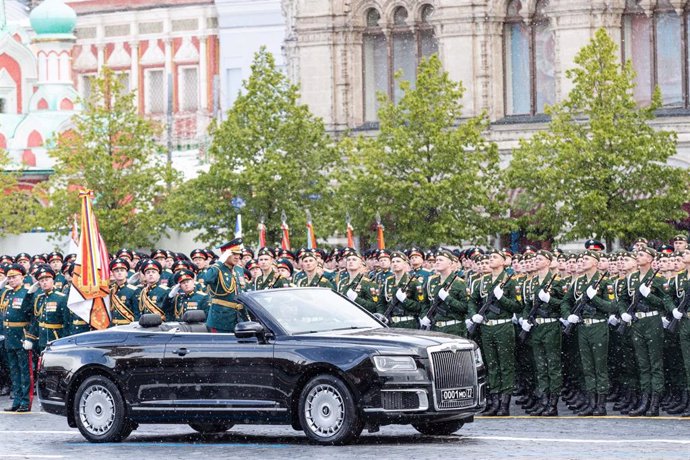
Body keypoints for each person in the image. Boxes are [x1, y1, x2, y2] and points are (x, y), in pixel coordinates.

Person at [618, 247, 674, 417]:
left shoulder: (657, 280)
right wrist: (624, 313)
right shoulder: (631, 279)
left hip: (652, 321)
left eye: (642, 255)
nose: (638, 256)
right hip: (637, 322)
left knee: (655, 364)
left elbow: (665, 302)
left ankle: (654, 403)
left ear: (650, 259)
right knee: (642, 365)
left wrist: (649, 295)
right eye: (638, 254)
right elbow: (622, 300)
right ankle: (644, 401)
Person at [560, 250, 616, 416]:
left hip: (598, 327)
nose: (582, 261)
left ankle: (601, 405)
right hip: (583, 327)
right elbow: (565, 302)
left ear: (596, 262)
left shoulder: (605, 283)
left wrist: (595, 299)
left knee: (599, 367)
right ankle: (591, 403)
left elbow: (611, 307)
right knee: (587, 367)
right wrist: (568, 315)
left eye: (586, 259)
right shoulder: (578, 283)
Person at [469, 248, 522, 416]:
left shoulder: (511, 281)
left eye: (494, 257)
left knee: (505, 365)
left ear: (503, 261)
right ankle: (494, 401)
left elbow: (517, 306)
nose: (490, 260)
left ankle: (504, 403)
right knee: (491, 365)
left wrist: (502, 298)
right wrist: (474, 315)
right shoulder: (482, 281)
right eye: (489, 257)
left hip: (503, 326)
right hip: (486, 327)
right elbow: (472, 301)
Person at [519, 250, 564, 416]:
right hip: (536, 327)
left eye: (540, 259)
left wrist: (549, 300)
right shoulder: (531, 283)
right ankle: (543, 400)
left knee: (553, 366)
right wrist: (525, 319)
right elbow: (526, 305)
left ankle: (553, 404)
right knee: (540, 366)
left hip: (551, 326)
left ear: (548, 261)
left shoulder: (556, 281)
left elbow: (564, 304)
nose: (536, 261)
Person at [0, 264, 34, 412]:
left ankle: (25, 402)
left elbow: (33, 317)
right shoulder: (7, 293)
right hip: (10, 337)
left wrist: (30, 337)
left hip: (21, 336)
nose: (12, 280)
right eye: (10, 277)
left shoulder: (27, 293)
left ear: (22, 277)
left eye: (15, 277)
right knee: (14, 370)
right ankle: (17, 401)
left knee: (24, 370)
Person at [201, 238, 246, 333]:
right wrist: (220, 262)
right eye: (233, 254)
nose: (237, 257)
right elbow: (207, 279)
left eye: (238, 254)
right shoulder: (217, 269)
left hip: (238, 318)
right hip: (220, 319)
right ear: (225, 255)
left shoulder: (239, 269)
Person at [420, 249, 468, 336]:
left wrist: (447, 298)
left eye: (441, 260)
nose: (437, 262)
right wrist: (424, 316)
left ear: (450, 263)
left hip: (454, 328)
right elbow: (425, 303)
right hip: (435, 328)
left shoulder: (459, 282)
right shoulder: (431, 281)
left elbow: (465, 307)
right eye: (436, 260)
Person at [27, 266, 70, 354]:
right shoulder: (40, 298)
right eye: (42, 281)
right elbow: (36, 321)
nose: (44, 283)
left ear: (52, 280)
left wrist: (65, 341)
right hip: (42, 340)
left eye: (47, 280)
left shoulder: (61, 298)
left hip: (56, 339)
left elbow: (67, 322)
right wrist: (30, 338)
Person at [379, 251, 424, 329]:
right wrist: (382, 316)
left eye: (398, 261)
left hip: (408, 323)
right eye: (393, 262)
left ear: (405, 264)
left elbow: (420, 306)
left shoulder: (413, 282)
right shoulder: (388, 281)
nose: (395, 264)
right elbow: (381, 303)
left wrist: (405, 300)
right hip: (390, 323)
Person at [336, 248, 379, 313]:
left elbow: (374, 307)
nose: (351, 261)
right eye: (348, 260)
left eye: (354, 260)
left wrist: (356, 299)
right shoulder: (342, 282)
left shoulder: (368, 283)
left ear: (360, 263)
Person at [109, 258, 139, 325]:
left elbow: (137, 313)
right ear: (113, 273)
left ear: (126, 273)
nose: (119, 273)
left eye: (122, 270)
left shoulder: (134, 290)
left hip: (127, 327)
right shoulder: (111, 291)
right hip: (113, 327)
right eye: (116, 271)